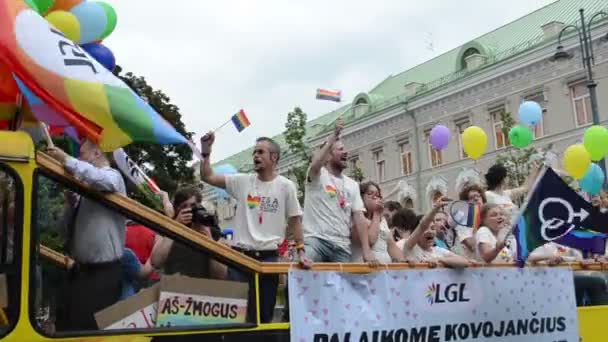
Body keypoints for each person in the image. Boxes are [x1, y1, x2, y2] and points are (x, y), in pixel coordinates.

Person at [199, 133, 311, 323]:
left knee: (264, 317)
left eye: (260, 152)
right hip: (240, 258)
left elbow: (295, 221)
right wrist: (206, 151)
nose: (255, 156)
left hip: (268, 259)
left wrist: (301, 251)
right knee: (237, 318)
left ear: (273, 157)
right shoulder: (242, 181)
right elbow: (207, 176)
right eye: (254, 153)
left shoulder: (286, 186)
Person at [47, 140, 126, 331]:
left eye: (82, 154)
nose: (79, 158)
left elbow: (101, 180)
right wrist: (71, 205)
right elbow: (64, 232)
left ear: (97, 153)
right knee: (67, 325)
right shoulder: (85, 191)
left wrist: (66, 159)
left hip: (103, 273)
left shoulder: (113, 177)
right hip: (80, 270)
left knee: (88, 330)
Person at [302, 119, 377, 263]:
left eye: (345, 149)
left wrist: (366, 250)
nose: (346, 152)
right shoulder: (317, 175)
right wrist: (333, 136)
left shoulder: (352, 184)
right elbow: (315, 163)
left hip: (341, 247)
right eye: (340, 149)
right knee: (302, 274)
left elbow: (359, 218)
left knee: (341, 285)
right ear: (328, 155)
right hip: (316, 241)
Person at [151, 186, 226, 279]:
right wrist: (175, 227)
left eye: (193, 205)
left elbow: (221, 275)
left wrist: (210, 241)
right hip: (173, 288)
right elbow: (155, 262)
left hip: (203, 289)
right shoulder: (168, 229)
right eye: (184, 206)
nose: (189, 210)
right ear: (177, 210)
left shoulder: (212, 230)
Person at [401, 197, 472, 268]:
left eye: (432, 228)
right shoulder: (409, 248)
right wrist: (435, 209)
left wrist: (440, 259)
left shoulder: (438, 250)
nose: (430, 231)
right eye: (426, 229)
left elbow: (464, 262)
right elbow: (422, 225)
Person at [351, 182, 405, 263]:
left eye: (377, 195)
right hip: (363, 268)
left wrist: (403, 260)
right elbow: (370, 240)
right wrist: (376, 214)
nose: (375, 197)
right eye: (370, 193)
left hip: (382, 270)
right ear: (361, 197)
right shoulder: (357, 217)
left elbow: (391, 244)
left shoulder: (382, 220)